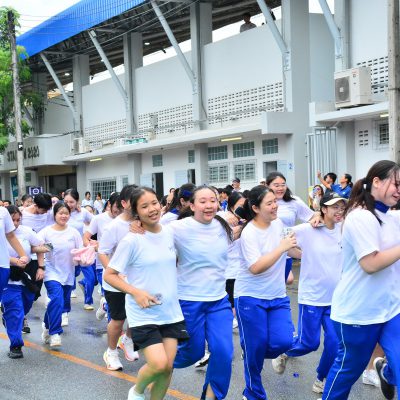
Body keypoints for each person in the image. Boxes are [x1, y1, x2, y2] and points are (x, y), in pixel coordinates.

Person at [320, 160, 400, 400]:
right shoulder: (360, 217)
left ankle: (387, 373)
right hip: (359, 313)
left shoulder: (392, 217)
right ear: (376, 181)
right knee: (347, 372)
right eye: (396, 184)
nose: (399, 190)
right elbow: (370, 264)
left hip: (391, 309)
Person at [104, 187, 188, 400]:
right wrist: (135, 292)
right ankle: (137, 391)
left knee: (167, 368)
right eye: (144, 206)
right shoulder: (131, 240)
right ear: (136, 212)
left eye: (154, 203)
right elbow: (110, 275)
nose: (152, 209)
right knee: (158, 364)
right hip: (143, 313)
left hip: (170, 311)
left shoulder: (170, 232)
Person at [277, 192, 346, 394]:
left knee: (334, 343)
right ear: (323, 209)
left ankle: (321, 378)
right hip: (312, 297)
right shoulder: (308, 229)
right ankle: (285, 351)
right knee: (309, 343)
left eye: (342, 207)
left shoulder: (344, 228)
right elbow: (280, 237)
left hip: (335, 298)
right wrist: (299, 254)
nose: (340, 211)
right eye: (335, 207)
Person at [234, 185, 299, 400]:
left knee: (284, 342)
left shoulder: (278, 223)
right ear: (255, 208)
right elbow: (255, 267)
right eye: (269, 203)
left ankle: (252, 350)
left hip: (277, 296)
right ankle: (253, 393)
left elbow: (290, 247)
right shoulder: (249, 233)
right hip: (250, 298)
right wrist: (281, 247)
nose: (275, 206)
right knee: (256, 347)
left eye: (275, 201)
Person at [98, 184, 139, 371]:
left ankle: (128, 340)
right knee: (118, 319)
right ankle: (111, 352)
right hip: (116, 282)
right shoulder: (113, 226)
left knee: (138, 316)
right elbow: (103, 252)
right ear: (123, 203)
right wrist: (114, 272)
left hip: (137, 278)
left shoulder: (143, 221)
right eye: (134, 200)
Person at [2, 205, 48, 358]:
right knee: (15, 309)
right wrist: (14, 261)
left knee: (26, 304)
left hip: (26, 275)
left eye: (18, 220)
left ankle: (10, 318)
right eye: (12, 220)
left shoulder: (27, 231)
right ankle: (16, 345)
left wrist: (41, 266)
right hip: (7, 276)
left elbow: (41, 246)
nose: (15, 223)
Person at [39, 202, 83, 348]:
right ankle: (55, 333)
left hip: (68, 273)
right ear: (55, 214)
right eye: (61, 213)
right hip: (51, 271)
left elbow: (80, 251)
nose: (64, 216)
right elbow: (36, 247)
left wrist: (83, 258)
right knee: (56, 299)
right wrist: (48, 248)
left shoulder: (74, 232)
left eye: (66, 213)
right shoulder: (46, 232)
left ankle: (47, 326)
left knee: (59, 303)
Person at [266, 172, 319, 285]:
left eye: (283, 185)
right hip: (266, 251)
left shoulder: (294, 201)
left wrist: (318, 216)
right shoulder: (261, 201)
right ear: (267, 186)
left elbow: (312, 216)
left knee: (281, 285)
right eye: (276, 185)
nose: (280, 188)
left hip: (287, 252)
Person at [83, 192, 121, 320]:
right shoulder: (99, 219)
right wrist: (93, 247)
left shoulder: (127, 220)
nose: (119, 210)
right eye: (116, 206)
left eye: (122, 207)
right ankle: (110, 317)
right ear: (109, 204)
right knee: (111, 296)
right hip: (103, 265)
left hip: (123, 266)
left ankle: (105, 305)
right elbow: (86, 237)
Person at [63, 188, 93, 310]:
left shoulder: (83, 212)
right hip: (67, 252)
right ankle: (64, 311)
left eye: (72, 202)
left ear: (77, 201)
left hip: (82, 251)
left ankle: (88, 301)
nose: (68, 204)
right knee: (71, 277)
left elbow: (95, 222)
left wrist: (88, 237)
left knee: (91, 278)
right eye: (66, 201)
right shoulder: (59, 212)